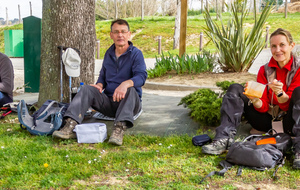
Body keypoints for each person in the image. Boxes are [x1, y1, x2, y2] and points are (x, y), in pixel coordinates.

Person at [201, 28, 300, 169]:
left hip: (290, 123)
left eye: (282, 45)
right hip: (265, 121)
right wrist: (254, 99)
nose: (278, 50)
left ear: (291, 45)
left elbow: (287, 106)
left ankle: (299, 151)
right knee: (235, 88)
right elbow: (263, 106)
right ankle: (223, 139)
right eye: (273, 46)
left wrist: (280, 94)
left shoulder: (299, 69)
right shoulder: (264, 70)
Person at [52, 19, 147, 146]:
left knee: (130, 89)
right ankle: (70, 126)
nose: (120, 35)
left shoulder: (136, 54)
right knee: (86, 89)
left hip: (130, 104)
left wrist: (125, 84)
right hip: (109, 102)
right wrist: (99, 85)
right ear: (111, 35)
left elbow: (142, 76)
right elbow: (103, 75)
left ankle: (119, 129)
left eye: (123, 32)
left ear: (129, 34)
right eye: (116, 32)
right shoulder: (109, 53)